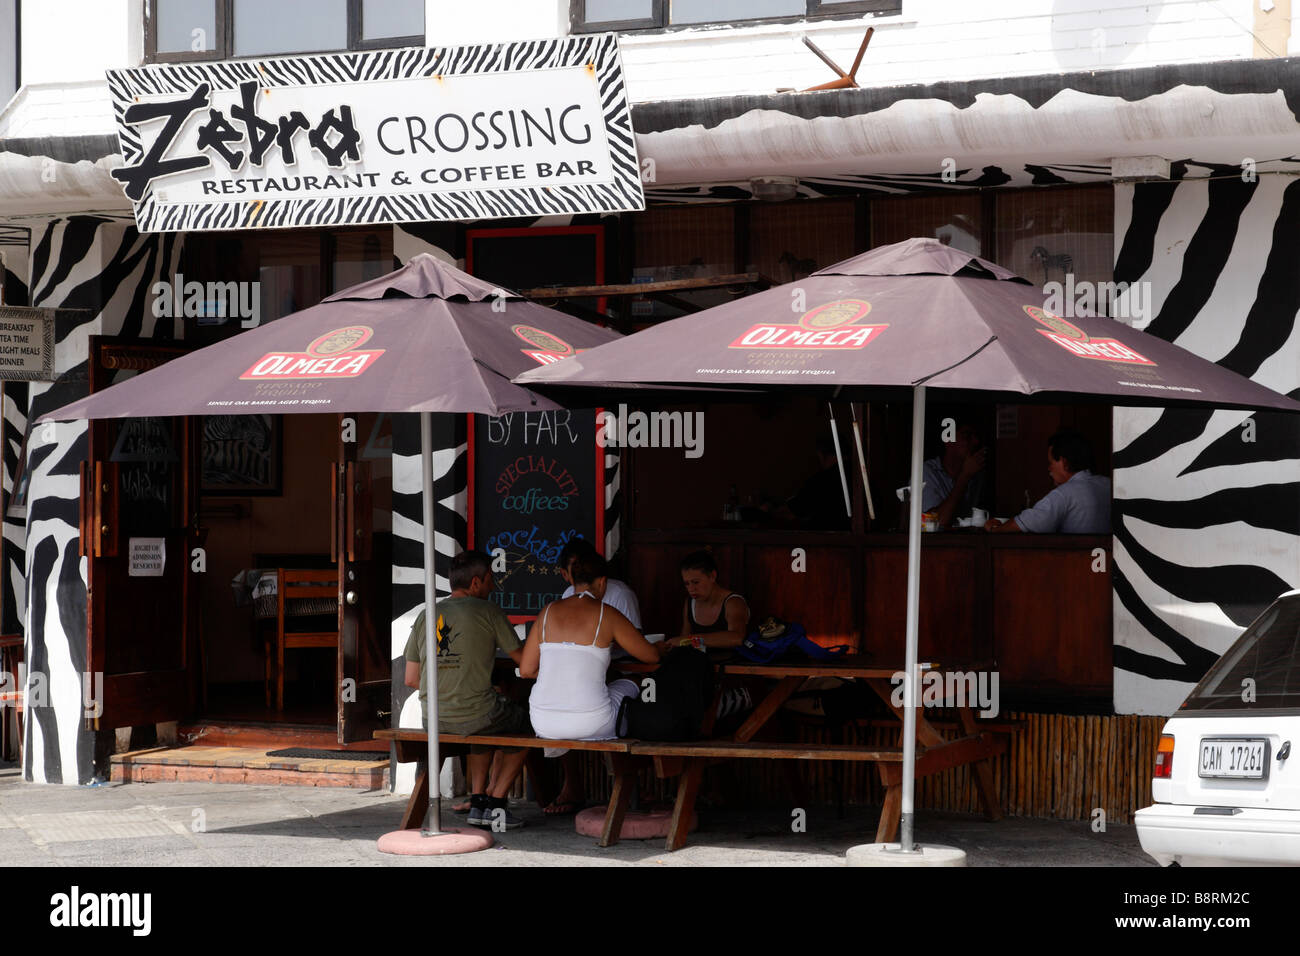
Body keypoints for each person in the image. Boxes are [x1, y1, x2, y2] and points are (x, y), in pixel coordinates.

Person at [403, 549, 530, 830]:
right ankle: (496, 805)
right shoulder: (488, 611)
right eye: (489, 580)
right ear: (475, 583)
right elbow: (524, 661)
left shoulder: (427, 615)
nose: (492, 586)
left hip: (433, 719)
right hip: (476, 715)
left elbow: (411, 678)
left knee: (483, 716)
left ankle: (478, 799)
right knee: (526, 726)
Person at [521, 551, 662, 741]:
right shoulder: (607, 614)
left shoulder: (547, 612)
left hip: (542, 721)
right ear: (602, 582)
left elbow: (526, 670)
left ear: (572, 579)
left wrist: (562, 675)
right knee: (638, 681)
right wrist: (660, 648)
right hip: (592, 722)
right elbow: (651, 656)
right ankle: (634, 758)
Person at [985, 429, 1110, 534]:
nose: (1049, 469)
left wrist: (994, 528)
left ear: (1064, 462)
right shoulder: (1109, 485)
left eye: (1051, 463)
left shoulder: (1064, 493)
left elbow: (1023, 524)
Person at [665, 550, 750, 649]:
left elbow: (737, 638)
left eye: (696, 582)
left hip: (731, 663)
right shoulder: (690, 603)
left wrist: (691, 639)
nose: (691, 589)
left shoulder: (733, 602)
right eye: (687, 584)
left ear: (712, 576)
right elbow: (684, 641)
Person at [558, 537, 642, 629]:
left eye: (584, 566)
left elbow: (633, 638)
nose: (581, 571)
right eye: (576, 568)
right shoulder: (568, 595)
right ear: (565, 574)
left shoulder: (621, 594)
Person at [921, 419, 987, 529]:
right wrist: (964, 477)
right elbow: (936, 523)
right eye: (967, 436)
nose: (975, 441)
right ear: (948, 439)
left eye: (976, 436)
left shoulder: (977, 475)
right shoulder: (927, 472)